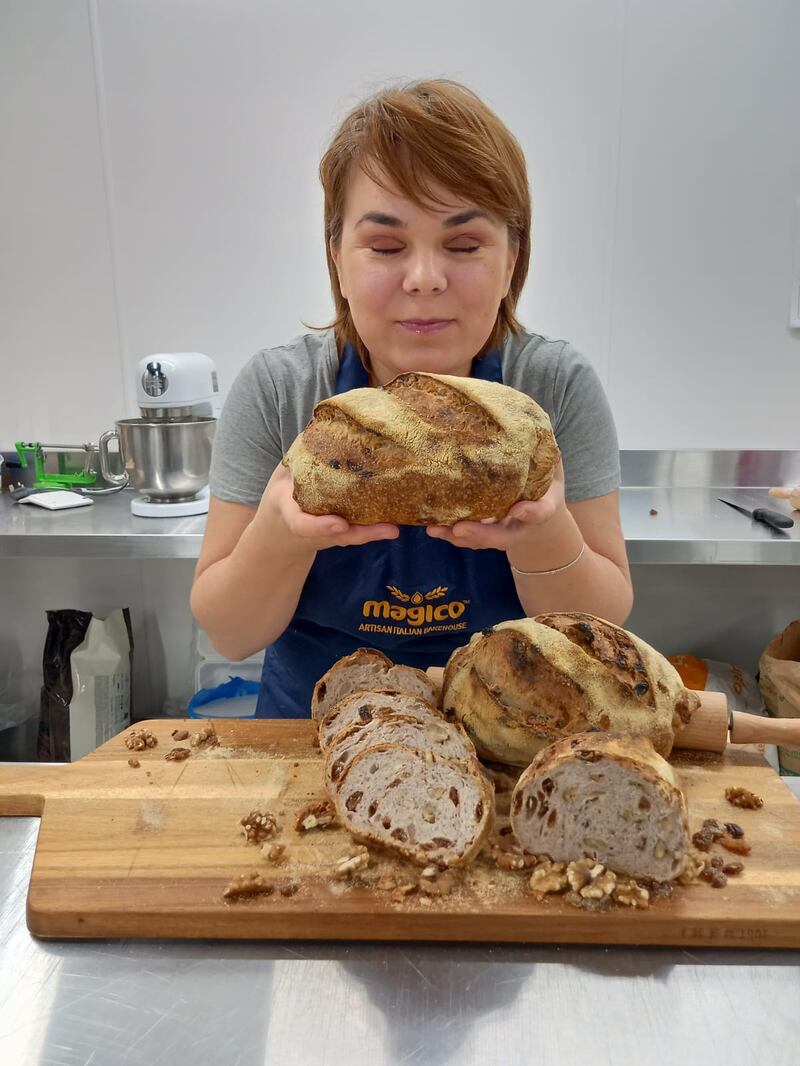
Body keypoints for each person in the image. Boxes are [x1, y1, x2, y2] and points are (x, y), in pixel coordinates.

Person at [190, 78, 633, 717]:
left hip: (505, 729)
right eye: (386, 246)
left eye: (464, 245)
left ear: (512, 261)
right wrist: (281, 536)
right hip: (309, 736)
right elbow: (230, 635)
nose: (425, 279)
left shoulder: (554, 387)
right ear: (337, 259)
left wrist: (543, 534)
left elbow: (601, 631)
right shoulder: (282, 391)